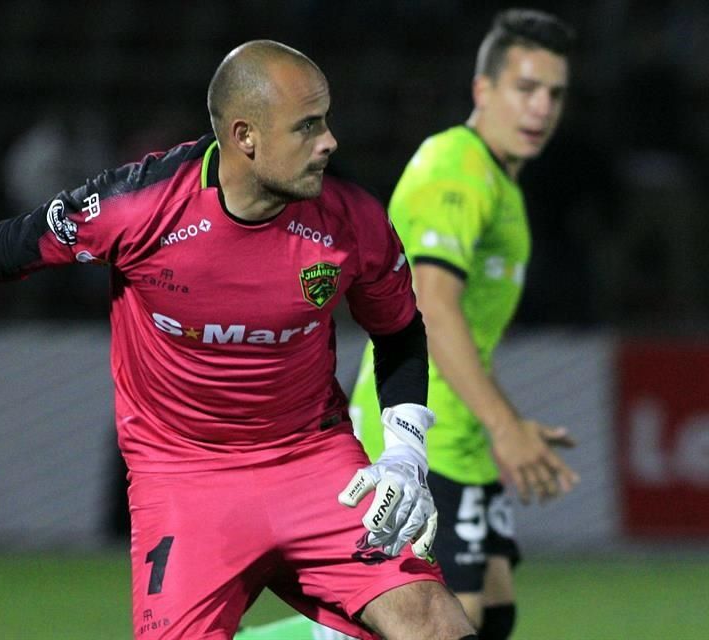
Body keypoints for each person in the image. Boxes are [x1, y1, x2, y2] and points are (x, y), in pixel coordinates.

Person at [0, 41, 477, 640]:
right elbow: (0, 249)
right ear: (244, 137)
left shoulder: (352, 220)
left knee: (439, 626)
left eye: (326, 121)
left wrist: (405, 456)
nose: (330, 141)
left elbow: (401, 331)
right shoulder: (138, 204)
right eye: (308, 125)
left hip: (311, 463)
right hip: (183, 477)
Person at [237, 9, 580, 640]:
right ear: (485, 91)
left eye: (554, 93)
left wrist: (497, 421)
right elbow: (429, 304)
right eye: (525, 89)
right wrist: (505, 425)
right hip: (424, 435)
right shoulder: (455, 169)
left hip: (465, 439)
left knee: (488, 613)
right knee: (416, 625)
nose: (542, 108)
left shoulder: (500, 185)